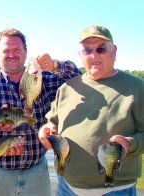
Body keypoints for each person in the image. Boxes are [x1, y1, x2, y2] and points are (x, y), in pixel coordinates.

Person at [38, 25, 144, 196]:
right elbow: (52, 122)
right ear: (80, 54)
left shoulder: (137, 87)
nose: (94, 55)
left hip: (115, 190)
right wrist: (45, 130)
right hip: (67, 186)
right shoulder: (66, 87)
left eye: (101, 49)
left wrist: (130, 143)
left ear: (114, 51)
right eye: (87, 50)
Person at [0, 27, 81, 196]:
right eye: (6, 50)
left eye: (17, 49)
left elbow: (78, 79)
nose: (11, 54)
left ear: (26, 52)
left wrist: (55, 65)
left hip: (36, 172)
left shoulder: (44, 78)